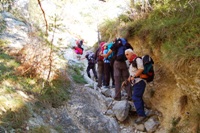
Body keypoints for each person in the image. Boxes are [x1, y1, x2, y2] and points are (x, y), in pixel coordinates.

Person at [125, 48, 147, 124]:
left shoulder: (137, 59)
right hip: (136, 83)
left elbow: (141, 69)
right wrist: (128, 79)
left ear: (131, 53)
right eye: (125, 55)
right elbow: (133, 73)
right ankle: (142, 113)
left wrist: (133, 76)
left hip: (140, 82)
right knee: (138, 97)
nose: (126, 56)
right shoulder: (132, 63)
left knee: (135, 97)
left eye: (127, 54)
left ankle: (141, 115)